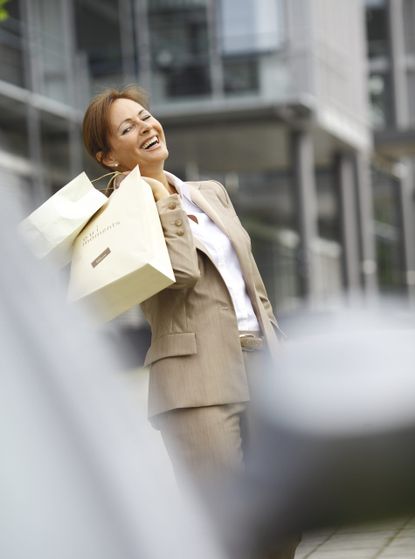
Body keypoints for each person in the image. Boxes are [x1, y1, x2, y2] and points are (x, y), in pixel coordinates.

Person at [82, 85, 297, 559]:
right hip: (196, 381)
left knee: (286, 516)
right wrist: (161, 200)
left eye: (145, 116)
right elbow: (179, 276)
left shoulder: (208, 193)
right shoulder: (116, 216)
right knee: (228, 527)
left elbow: (251, 282)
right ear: (108, 155)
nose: (145, 127)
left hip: (261, 364)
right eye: (127, 127)